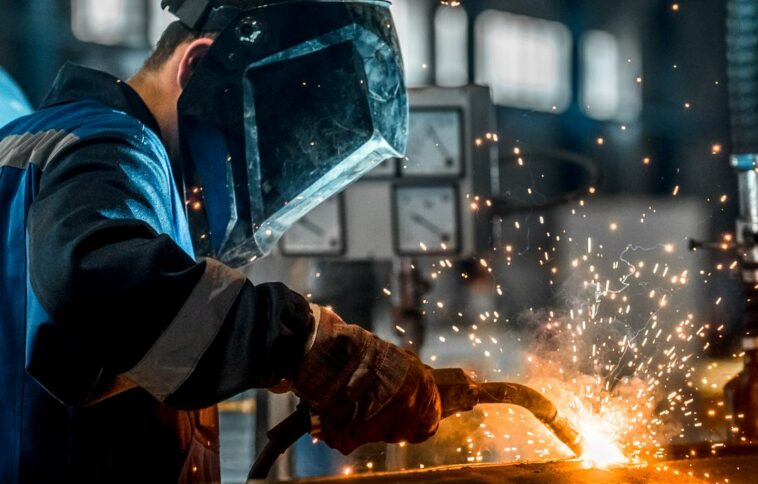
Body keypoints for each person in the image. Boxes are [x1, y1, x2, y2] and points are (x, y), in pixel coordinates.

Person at [0, 1, 441, 482]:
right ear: (196, 68)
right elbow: (92, 286)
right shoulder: (117, 147)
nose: (257, 192)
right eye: (261, 162)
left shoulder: (53, 144)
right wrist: (305, 345)